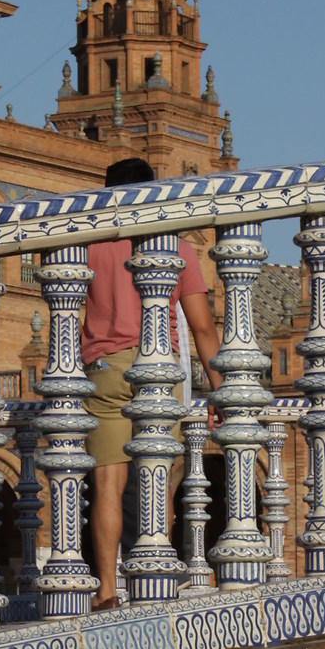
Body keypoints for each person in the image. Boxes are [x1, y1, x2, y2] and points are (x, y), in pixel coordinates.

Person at [83, 156, 222, 611]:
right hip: (158, 368)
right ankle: (153, 577)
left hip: (102, 368)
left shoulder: (85, 244)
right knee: (158, 477)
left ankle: (105, 591)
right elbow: (202, 328)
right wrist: (221, 389)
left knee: (107, 482)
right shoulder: (176, 248)